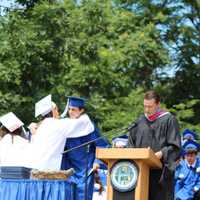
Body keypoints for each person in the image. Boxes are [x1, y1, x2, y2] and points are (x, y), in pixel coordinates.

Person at [128, 90, 181, 200]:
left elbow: (175, 147)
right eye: (145, 106)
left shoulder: (169, 120)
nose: (146, 110)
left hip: (160, 174)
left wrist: (161, 153)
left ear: (158, 104)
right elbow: (131, 144)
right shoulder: (140, 121)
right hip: (140, 173)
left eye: (150, 107)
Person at [24, 94, 95, 170]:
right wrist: (82, 113)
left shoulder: (38, 127)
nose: (58, 113)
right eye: (57, 110)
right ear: (53, 110)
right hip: (47, 171)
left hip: (32, 169)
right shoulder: (58, 125)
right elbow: (84, 122)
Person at [60, 96, 109, 200]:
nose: (70, 112)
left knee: (83, 196)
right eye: (69, 109)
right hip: (69, 168)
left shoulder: (88, 126)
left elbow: (102, 145)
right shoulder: (66, 124)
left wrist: (96, 162)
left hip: (85, 168)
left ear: (81, 110)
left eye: (73, 109)